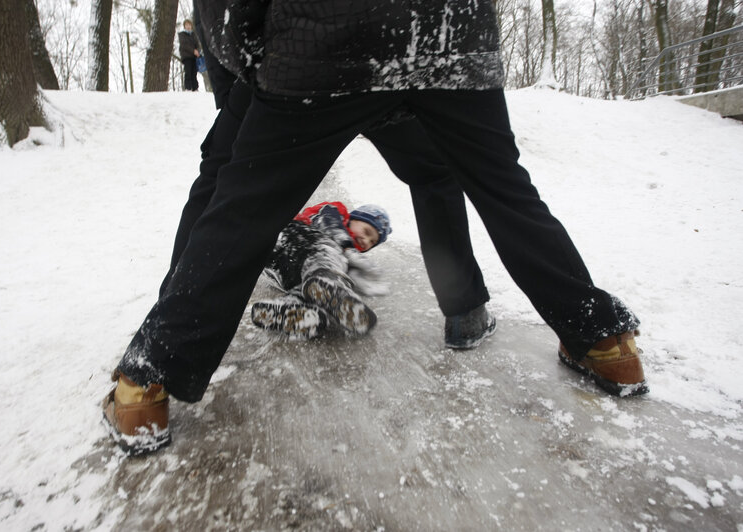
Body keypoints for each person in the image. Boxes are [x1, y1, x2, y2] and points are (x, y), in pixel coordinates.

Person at [103, 0, 647, 456]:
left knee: (243, 204)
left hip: (324, 40)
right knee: (499, 188)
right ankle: (600, 341)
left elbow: (225, 12)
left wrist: (251, 66)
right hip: (447, 35)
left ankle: (144, 386)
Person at [251, 201, 392, 339]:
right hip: (291, 240)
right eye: (367, 232)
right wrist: (346, 247)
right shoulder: (336, 211)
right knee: (329, 256)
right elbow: (328, 222)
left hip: (283, 271)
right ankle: (327, 280)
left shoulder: (344, 259)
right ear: (353, 218)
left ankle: (291, 310)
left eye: (372, 242)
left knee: (314, 292)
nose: (366, 240)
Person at [177, 19, 200, 91]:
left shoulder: (193, 34)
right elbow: (184, 45)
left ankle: (195, 88)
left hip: (194, 57)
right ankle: (188, 88)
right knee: (188, 72)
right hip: (186, 56)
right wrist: (193, 51)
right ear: (184, 26)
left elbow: (197, 44)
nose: (188, 26)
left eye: (189, 25)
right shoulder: (182, 34)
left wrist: (198, 51)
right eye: (186, 25)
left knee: (194, 73)